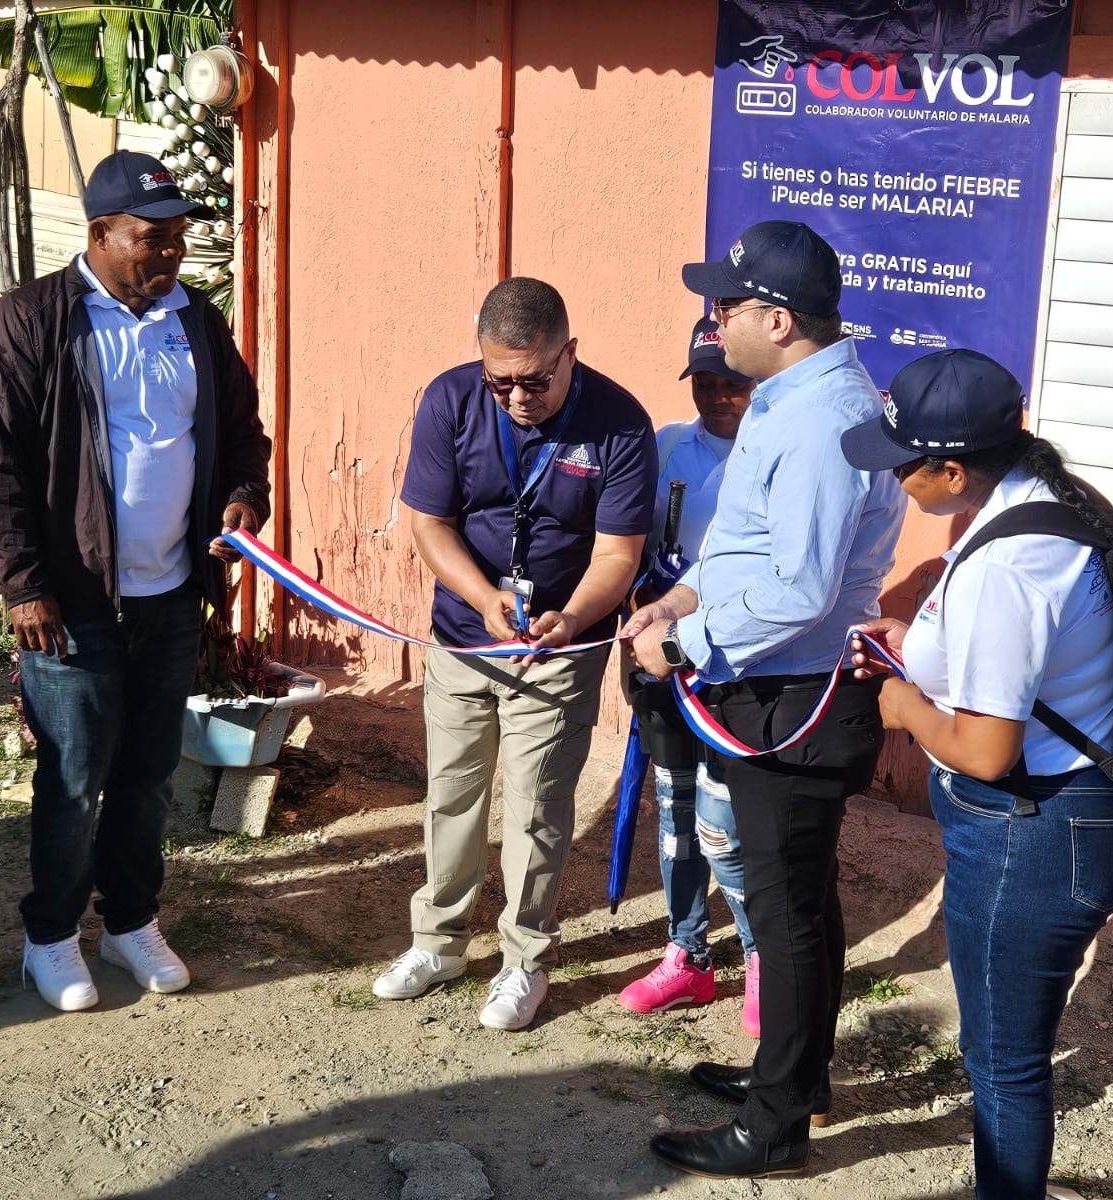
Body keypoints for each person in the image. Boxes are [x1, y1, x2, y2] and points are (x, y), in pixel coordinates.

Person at [841, 348, 1113, 1199]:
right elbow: (1034, 662)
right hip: (1088, 815)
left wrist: (904, 707)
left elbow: (987, 751)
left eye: (903, 464)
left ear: (952, 469)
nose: (895, 478)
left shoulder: (1006, 569)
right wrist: (917, 644)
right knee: (1009, 1047)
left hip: (1038, 833)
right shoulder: (1042, 507)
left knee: (1004, 1061)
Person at [627, 220, 907, 1179]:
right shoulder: (794, 399)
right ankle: (796, 1077)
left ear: (778, 320)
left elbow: (800, 588)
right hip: (774, 682)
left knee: (786, 911)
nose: (716, 319)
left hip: (794, 694)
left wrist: (683, 641)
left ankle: (776, 1125)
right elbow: (747, 547)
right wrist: (681, 593)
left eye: (728, 305)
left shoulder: (825, 420)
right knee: (801, 901)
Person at [0, 150, 272, 1013]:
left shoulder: (195, 320)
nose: (169, 255)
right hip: (70, 602)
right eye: (151, 239)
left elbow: (244, 434)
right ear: (99, 233)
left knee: (144, 773)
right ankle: (51, 939)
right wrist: (23, 583)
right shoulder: (30, 323)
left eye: (178, 239)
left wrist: (244, 499)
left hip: (171, 593)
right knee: (71, 778)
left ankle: (132, 922)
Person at [373, 277, 656, 1032]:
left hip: (558, 648)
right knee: (450, 797)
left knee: (535, 812)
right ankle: (437, 943)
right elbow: (429, 523)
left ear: (571, 353)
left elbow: (618, 551)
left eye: (536, 380)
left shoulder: (620, 423)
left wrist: (571, 617)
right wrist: (481, 597)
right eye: (502, 382)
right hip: (463, 638)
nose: (518, 398)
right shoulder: (452, 400)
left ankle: (524, 959)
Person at [617, 317, 761, 1031]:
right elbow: (630, 543)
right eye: (703, 381)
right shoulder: (670, 444)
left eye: (730, 382)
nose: (715, 396)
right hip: (662, 660)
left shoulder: (777, 457)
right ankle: (688, 954)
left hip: (737, 665)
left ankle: (762, 957)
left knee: (726, 824)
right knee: (674, 813)